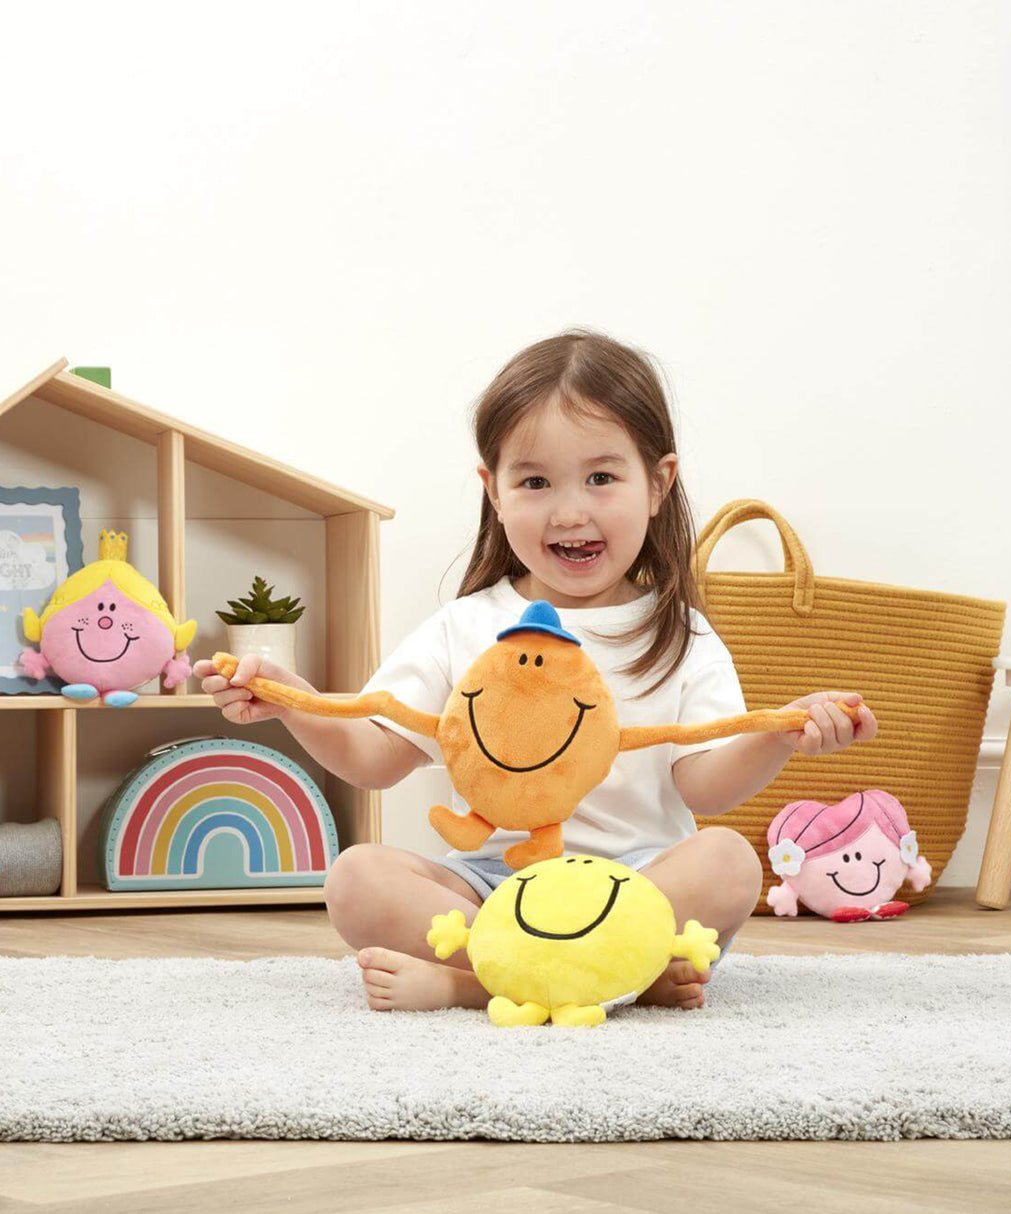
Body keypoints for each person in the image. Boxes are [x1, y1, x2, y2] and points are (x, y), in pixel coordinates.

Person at [194, 330, 877, 1014]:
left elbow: (706, 786)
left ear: (658, 484)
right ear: (495, 490)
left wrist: (779, 735)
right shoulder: (464, 626)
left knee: (727, 861)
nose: (570, 510)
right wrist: (298, 703)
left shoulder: (681, 634)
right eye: (535, 481)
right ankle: (611, 981)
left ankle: (484, 984)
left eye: (602, 478)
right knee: (356, 877)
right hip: (493, 887)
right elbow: (375, 756)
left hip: (633, 886)